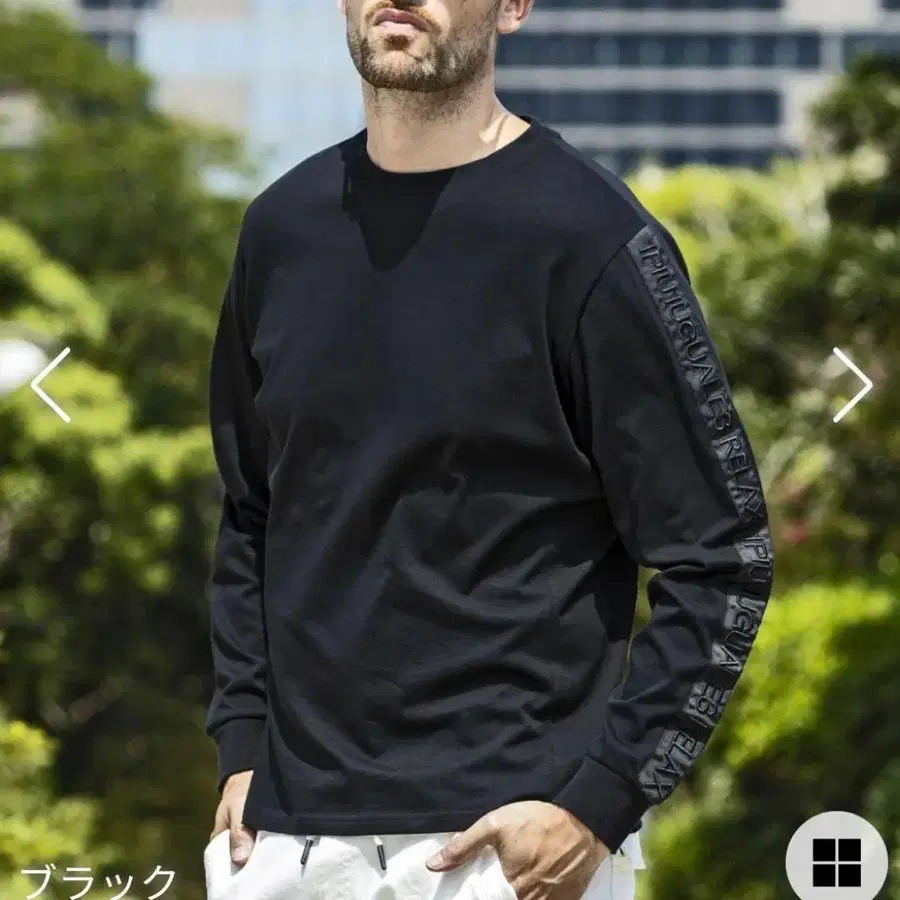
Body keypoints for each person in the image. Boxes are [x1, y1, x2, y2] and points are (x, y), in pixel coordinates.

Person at [203, 1, 775, 898]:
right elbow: (250, 512)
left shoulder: (591, 239)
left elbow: (724, 557)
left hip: (509, 847)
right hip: (286, 844)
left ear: (513, 6)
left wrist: (602, 801)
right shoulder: (280, 230)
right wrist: (241, 742)